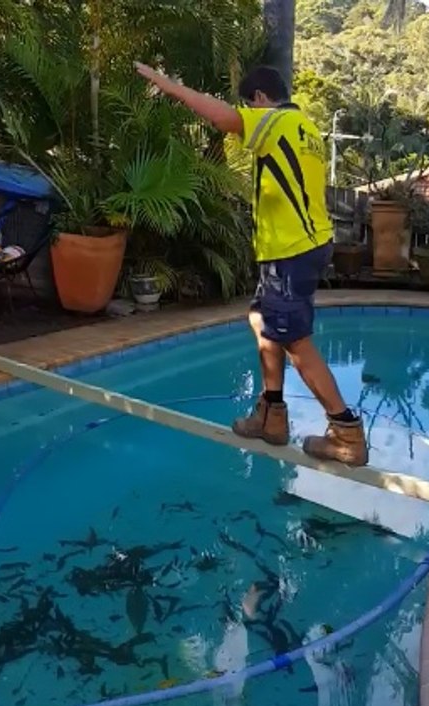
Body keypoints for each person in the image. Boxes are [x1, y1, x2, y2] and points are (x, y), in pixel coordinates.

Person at [134, 62, 368, 466]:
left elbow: (223, 118)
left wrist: (172, 88)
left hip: (291, 249)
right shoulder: (306, 128)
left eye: (249, 105)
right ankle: (272, 414)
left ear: (260, 98)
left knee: (295, 340)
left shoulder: (276, 120)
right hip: (297, 246)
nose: (247, 114)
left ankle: (346, 432)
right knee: (262, 320)